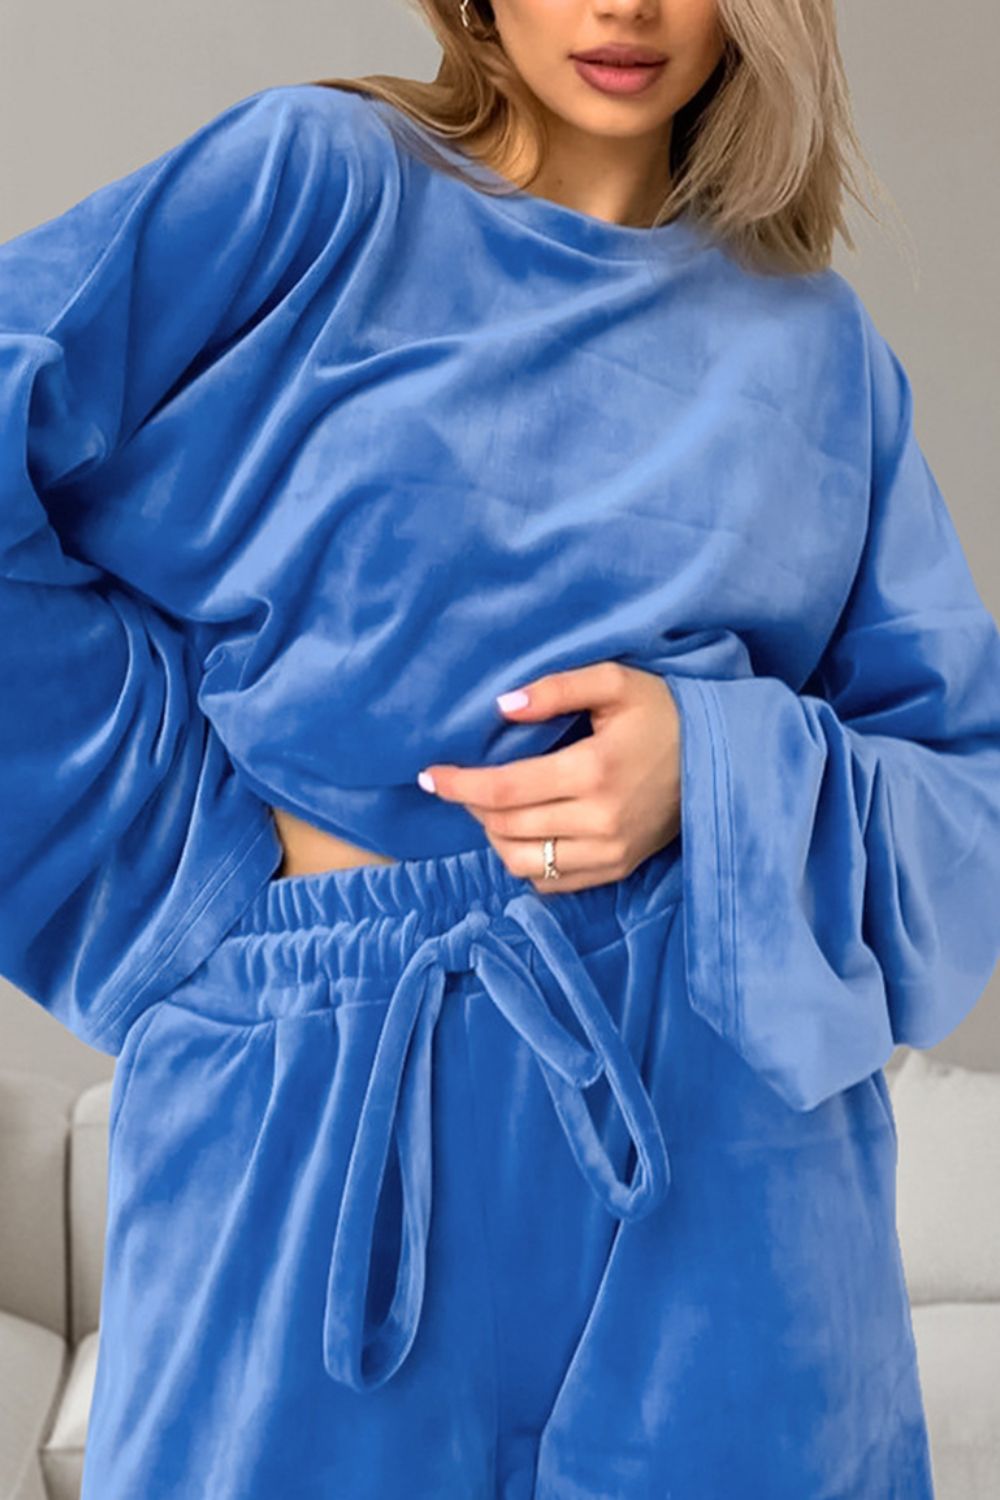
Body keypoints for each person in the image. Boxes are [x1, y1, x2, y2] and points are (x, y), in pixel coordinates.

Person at [1, 1, 998, 1495]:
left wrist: (714, 768)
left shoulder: (820, 350)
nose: (626, 6)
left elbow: (964, 803)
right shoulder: (317, 186)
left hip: (731, 1170)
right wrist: (189, 871)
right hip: (322, 1122)